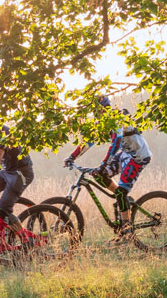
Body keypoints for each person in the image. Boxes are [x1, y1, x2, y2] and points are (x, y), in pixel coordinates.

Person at [64, 96, 152, 240]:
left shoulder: (116, 118)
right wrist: (72, 157)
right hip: (125, 154)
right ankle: (122, 199)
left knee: (119, 191)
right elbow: (88, 141)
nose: (97, 113)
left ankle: (127, 229)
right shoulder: (101, 123)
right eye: (96, 111)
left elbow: (116, 143)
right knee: (99, 176)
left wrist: (103, 164)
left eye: (99, 109)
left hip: (138, 156)